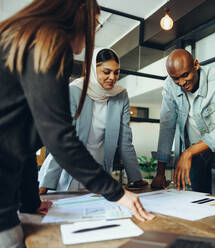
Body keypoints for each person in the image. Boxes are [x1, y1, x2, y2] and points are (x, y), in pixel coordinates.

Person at [0, 1, 153, 247]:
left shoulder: (24, 36)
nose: (94, 32)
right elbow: (59, 137)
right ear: (77, 15)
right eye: (94, 24)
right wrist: (116, 192)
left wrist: (30, 202)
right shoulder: (48, 43)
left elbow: (20, 139)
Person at [38, 48, 148, 194]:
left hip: (98, 170)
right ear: (92, 70)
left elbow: (125, 141)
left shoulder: (120, 96)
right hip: (67, 167)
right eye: (106, 72)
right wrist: (46, 183)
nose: (112, 77)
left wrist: (135, 178)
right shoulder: (74, 92)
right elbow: (62, 140)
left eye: (116, 72)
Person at [151, 49, 215, 195]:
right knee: (197, 195)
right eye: (176, 79)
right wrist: (160, 174)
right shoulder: (170, 85)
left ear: (196, 65)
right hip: (195, 147)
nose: (182, 82)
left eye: (185, 75)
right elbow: (167, 127)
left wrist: (189, 152)